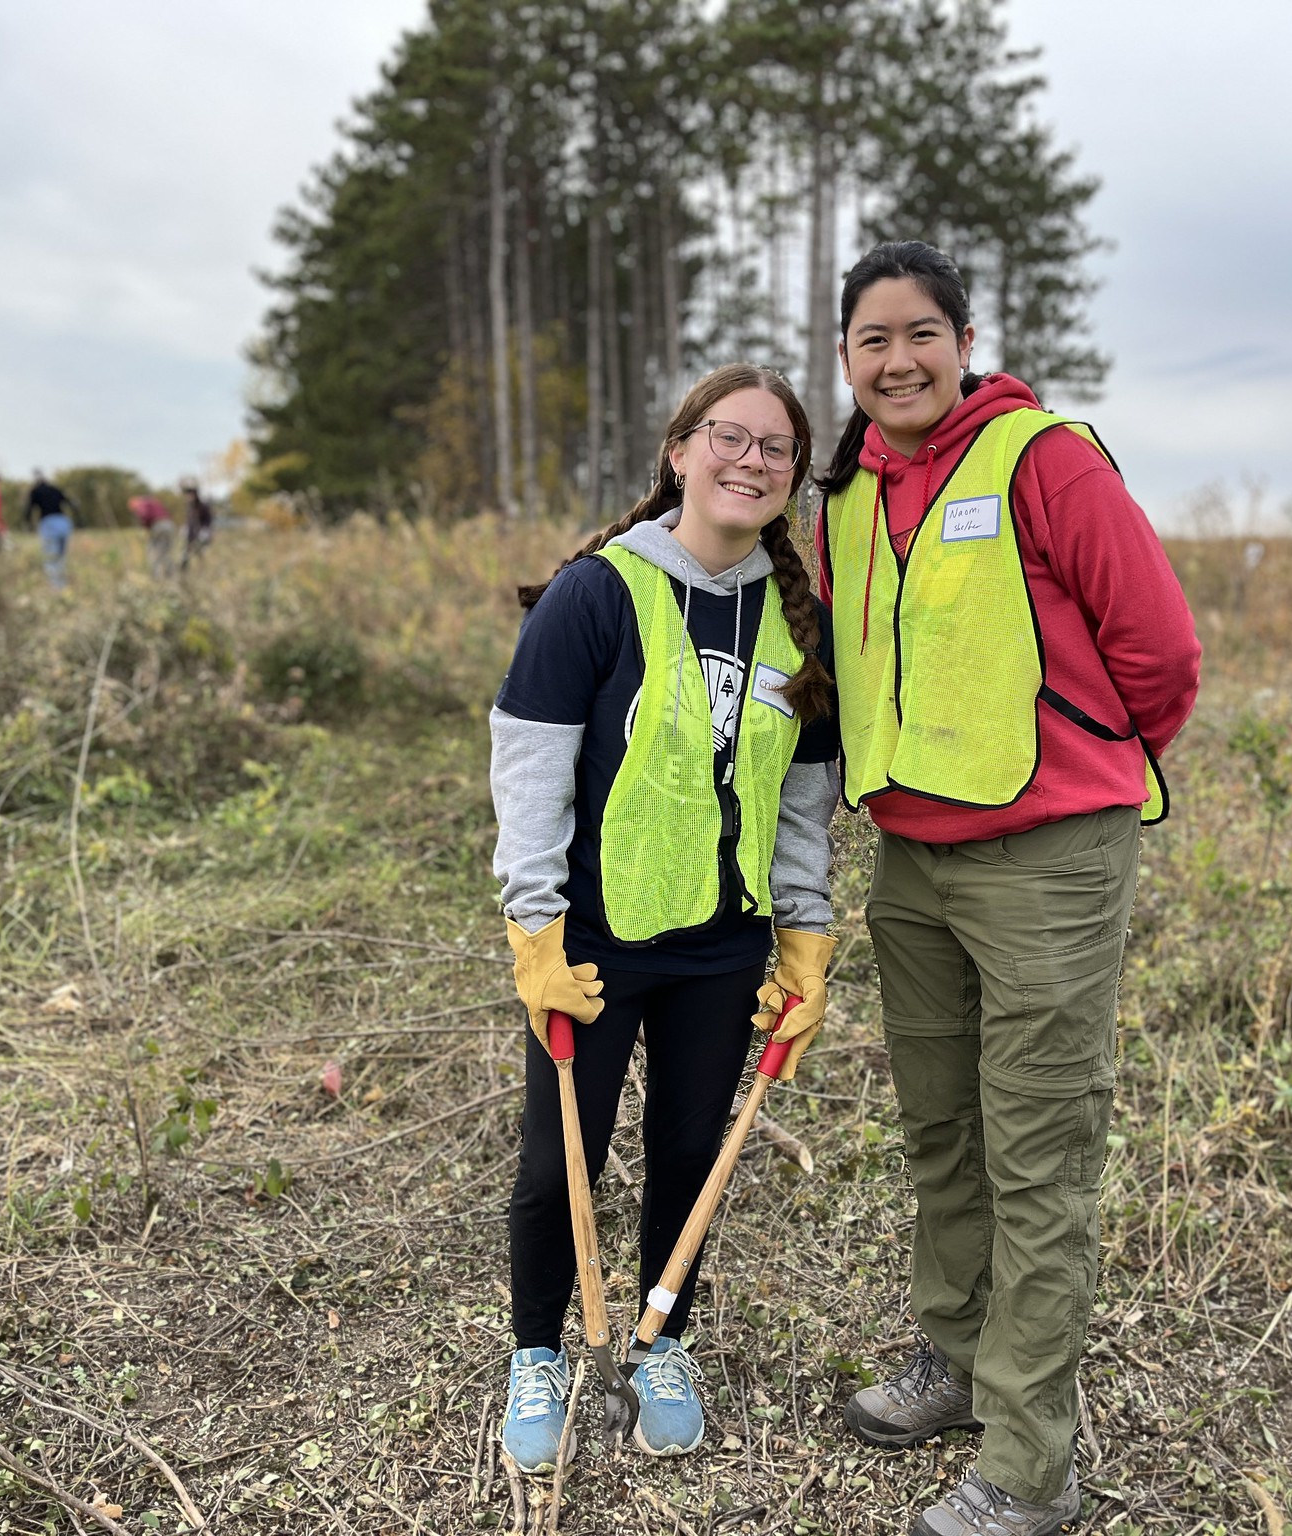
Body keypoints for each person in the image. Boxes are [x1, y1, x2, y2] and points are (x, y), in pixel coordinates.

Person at [816, 242, 1200, 1536]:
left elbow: (1161, 650)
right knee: (942, 1130)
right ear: (847, 360)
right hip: (911, 863)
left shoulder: (1044, 458)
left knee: (1038, 1156)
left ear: (963, 340)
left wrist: (1079, 760)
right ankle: (960, 1362)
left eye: (921, 332)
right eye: (873, 339)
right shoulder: (850, 496)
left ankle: (1034, 1464)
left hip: (1047, 861)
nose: (899, 359)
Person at [491, 363, 841, 1471]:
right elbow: (531, 766)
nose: (749, 461)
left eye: (774, 449)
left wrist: (803, 935)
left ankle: (660, 1341)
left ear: (792, 479)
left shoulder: (797, 620)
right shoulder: (597, 592)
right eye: (726, 438)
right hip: (593, 943)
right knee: (561, 1163)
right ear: (678, 451)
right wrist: (533, 928)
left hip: (720, 950)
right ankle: (536, 1351)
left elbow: (800, 797)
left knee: (690, 1150)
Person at [25, 469, 79, 590]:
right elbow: (71, 502)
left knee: (50, 557)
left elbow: (28, 509)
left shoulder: (35, 491)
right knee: (61, 556)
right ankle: (64, 585)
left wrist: (28, 525)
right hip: (64, 522)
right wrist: (79, 517)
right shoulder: (55, 488)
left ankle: (56, 588)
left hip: (49, 523)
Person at [129, 493, 175, 578]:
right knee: (166, 552)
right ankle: (171, 575)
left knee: (152, 551)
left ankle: (156, 576)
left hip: (158, 526)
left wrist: (144, 527)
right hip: (170, 525)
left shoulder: (142, 504)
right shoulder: (154, 502)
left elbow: (144, 516)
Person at [179, 481, 213, 570]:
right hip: (191, 536)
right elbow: (189, 521)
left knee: (200, 554)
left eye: (190, 494)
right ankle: (183, 574)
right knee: (185, 555)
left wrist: (205, 530)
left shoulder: (203, 506)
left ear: (195, 494)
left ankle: (203, 571)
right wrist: (185, 528)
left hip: (202, 535)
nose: (188, 497)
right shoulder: (189, 507)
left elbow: (208, 520)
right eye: (187, 494)